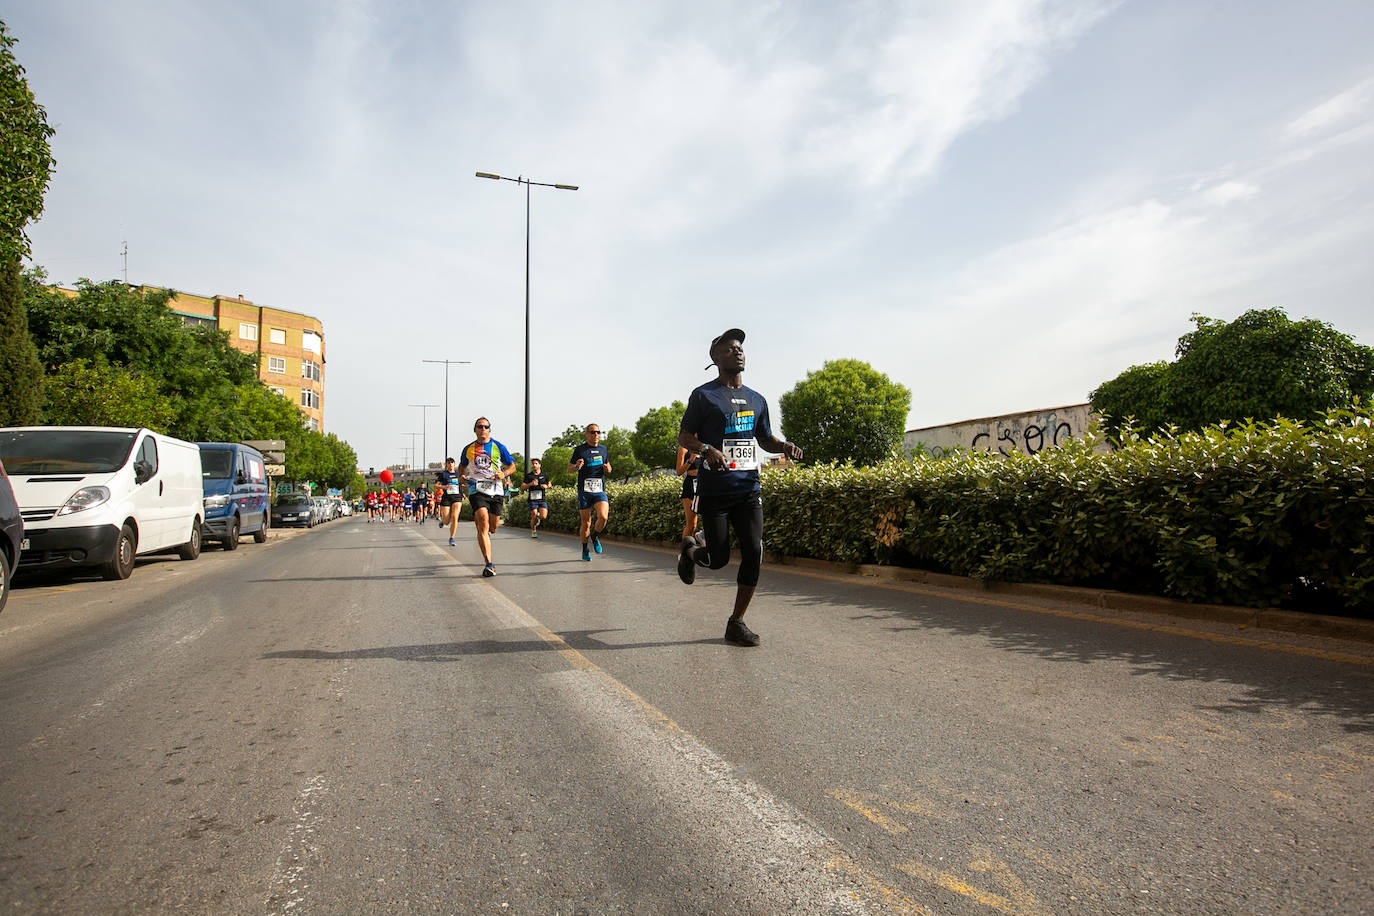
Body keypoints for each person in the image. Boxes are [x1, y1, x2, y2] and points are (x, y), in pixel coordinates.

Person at [677, 329, 802, 647]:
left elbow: (765, 438)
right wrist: (706, 449)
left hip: (748, 489)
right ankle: (690, 549)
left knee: (754, 551)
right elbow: (685, 436)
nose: (738, 352)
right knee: (717, 559)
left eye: (741, 348)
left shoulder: (757, 399)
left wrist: (784, 446)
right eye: (730, 348)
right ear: (715, 358)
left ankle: (736, 622)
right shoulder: (704, 395)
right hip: (715, 491)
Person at [458, 417, 516, 577]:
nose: (482, 429)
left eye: (485, 427)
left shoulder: (498, 446)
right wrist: (461, 477)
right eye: (479, 426)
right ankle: (489, 564)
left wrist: (504, 473)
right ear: (475, 430)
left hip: (496, 490)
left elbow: (512, 466)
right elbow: (462, 467)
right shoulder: (468, 449)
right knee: (482, 520)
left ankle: (486, 534)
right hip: (476, 489)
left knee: (493, 527)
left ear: (489, 429)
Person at [569, 424, 611, 561]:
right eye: (593, 432)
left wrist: (608, 469)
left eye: (598, 432)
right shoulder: (580, 450)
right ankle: (585, 549)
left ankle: (595, 536)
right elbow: (569, 468)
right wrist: (577, 466)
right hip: (584, 491)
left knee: (603, 517)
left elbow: (608, 466)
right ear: (586, 434)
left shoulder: (603, 449)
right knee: (586, 522)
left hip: (599, 490)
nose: (596, 434)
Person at [675, 443, 701, 543]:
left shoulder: (704, 446)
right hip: (690, 485)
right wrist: (690, 460)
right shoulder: (683, 448)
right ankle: (685, 550)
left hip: (704, 484)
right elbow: (679, 472)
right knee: (692, 525)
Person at [435, 457, 463, 546]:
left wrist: (463, 493)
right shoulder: (443, 474)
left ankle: (452, 538)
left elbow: (460, 485)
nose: (450, 464)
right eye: (448, 463)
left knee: (455, 517)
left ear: (454, 464)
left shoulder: (458, 474)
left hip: (457, 497)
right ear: (446, 465)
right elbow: (436, 485)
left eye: (452, 463)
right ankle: (443, 522)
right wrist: (444, 487)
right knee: (447, 521)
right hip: (447, 497)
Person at [520, 458, 550, 538]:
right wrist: (530, 484)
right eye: (533, 464)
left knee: (543, 516)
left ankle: (538, 517)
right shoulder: (529, 476)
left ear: (540, 465)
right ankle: (533, 531)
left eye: (536, 463)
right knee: (534, 514)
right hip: (532, 499)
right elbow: (522, 487)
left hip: (542, 499)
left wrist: (546, 486)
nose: (534, 465)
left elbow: (549, 484)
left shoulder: (544, 475)